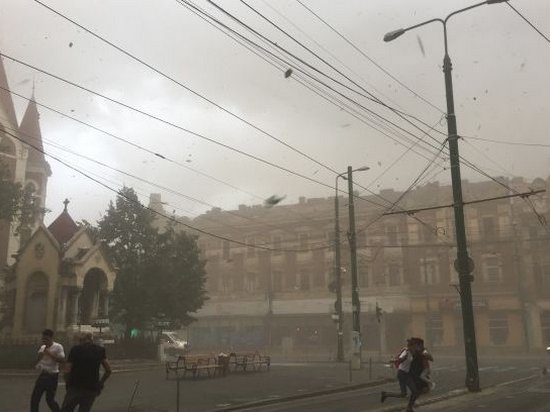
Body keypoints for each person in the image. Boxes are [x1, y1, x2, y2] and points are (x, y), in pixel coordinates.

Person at [61, 332, 112, 412]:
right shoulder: (100, 350)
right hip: (91, 388)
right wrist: (100, 383)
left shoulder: (75, 349)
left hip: (75, 387)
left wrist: (68, 383)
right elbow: (108, 370)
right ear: (91, 340)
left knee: (66, 409)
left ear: (81, 340)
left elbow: (67, 371)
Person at [381, 338, 420, 412]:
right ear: (411, 346)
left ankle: (386, 394)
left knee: (407, 393)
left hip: (406, 374)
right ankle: (409, 408)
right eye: (414, 346)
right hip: (402, 374)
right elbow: (400, 359)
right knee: (409, 393)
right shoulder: (406, 352)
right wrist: (393, 361)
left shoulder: (412, 352)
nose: (415, 348)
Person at [31, 329, 65, 412]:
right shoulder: (43, 347)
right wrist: (38, 360)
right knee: (35, 398)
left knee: (49, 399)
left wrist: (49, 354)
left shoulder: (58, 347)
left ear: (51, 338)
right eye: (43, 339)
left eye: (46, 339)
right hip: (43, 374)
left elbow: (61, 360)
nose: (44, 341)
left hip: (52, 375)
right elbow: (38, 360)